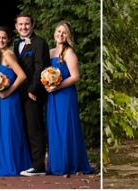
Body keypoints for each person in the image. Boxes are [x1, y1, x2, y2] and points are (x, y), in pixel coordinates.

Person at [45, 21, 93, 175]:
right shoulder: (50, 52)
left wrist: (57, 87)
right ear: (54, 33)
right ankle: (57, 163)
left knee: (65, 127)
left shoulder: (69, 52)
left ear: (68, 35)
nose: (61, 35)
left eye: (64, 32)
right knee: (54, 128)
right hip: (52, 95)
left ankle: (68, 163)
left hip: (64, 95)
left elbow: (75, 76)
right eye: (59, 31)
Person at [13, 13, 49, 176]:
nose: (24, 27)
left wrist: (33, 91)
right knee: (24, 128)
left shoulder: (40, 43)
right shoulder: (15, 44)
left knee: (35, 129)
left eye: (26, 24)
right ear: (16, 26)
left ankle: (38, 165)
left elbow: (40, 68)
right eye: (20, 24)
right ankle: (29, 162)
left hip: (32, 94)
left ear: (32, 25)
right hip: (17, 94)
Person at [0, 27, 31, 176]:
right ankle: (10, 163)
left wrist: (9, 91)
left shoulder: (8, 55)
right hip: (3, 98)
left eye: (4, 38)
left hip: (10, 98)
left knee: (10, 131)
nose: (1, 40)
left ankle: (13, 165)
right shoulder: (0, 55)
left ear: (9, 39)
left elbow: (22, 75)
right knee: (6, 130)